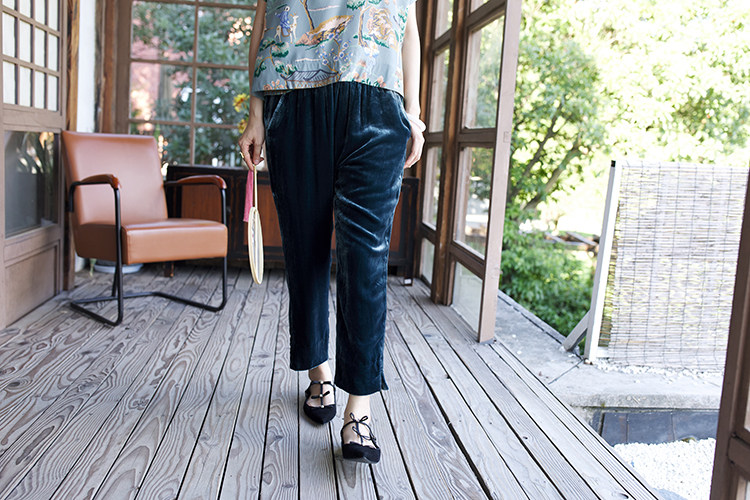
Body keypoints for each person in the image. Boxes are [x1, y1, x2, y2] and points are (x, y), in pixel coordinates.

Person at [238, 0, 424, 464]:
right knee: (304, 249)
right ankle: (318, 371)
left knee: (367, 259)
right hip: (294, 96)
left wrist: (414, 112)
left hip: (377, 99)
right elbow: (265, 21)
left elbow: (408, 26)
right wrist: (256, 115)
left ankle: (359, 407)